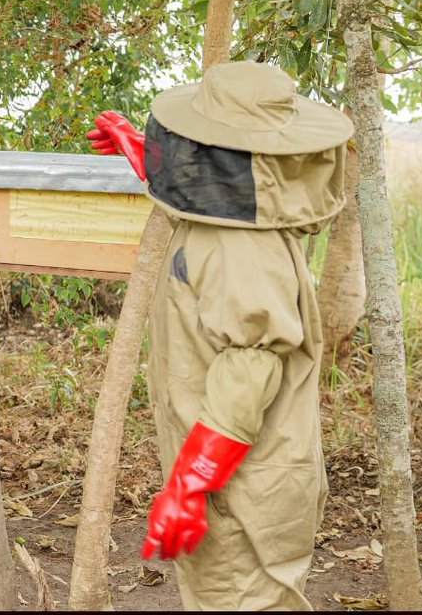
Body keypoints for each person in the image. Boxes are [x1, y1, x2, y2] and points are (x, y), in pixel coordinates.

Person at [86, 60, 353, 610]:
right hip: (239, 486)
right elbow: (222, 203)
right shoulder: (236, 222)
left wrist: (191, 485)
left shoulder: (242, 246)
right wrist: (148, 159)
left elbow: (252, 365)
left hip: (240, 497)